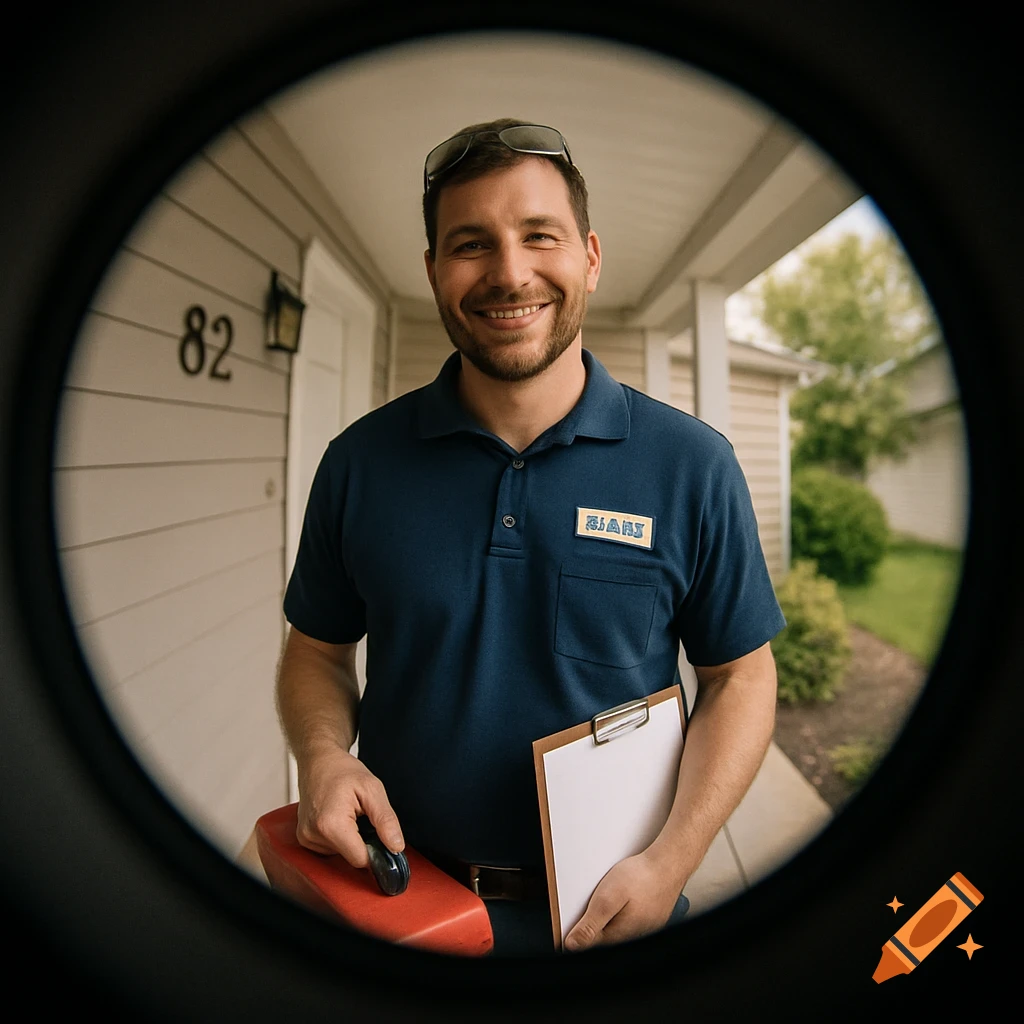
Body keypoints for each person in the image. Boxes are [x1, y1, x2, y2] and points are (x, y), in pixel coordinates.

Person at [276, 118, 785, 955]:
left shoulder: (692, 466)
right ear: (434, 271)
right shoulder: (359, 463)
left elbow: (740, 677)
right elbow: (317, 653)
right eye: (471, 243)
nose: (509, 273)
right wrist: (323, 756)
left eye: (539, 235)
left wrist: (673, 861)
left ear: (590, 256)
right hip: (403, 902)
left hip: (616, 914)